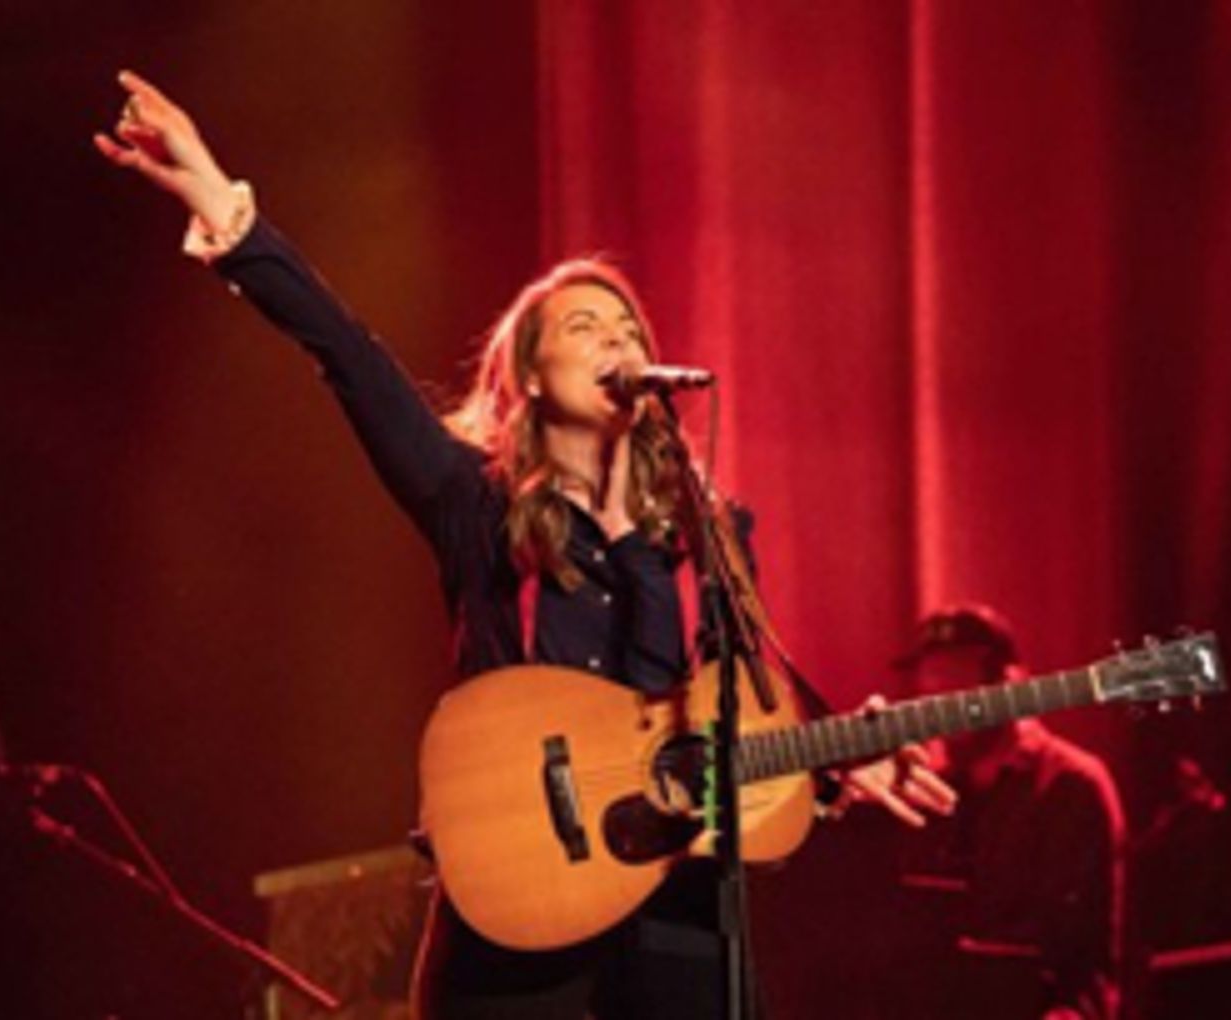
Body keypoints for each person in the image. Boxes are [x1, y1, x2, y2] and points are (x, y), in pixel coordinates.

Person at [93, 70, 957, 1019]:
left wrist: (846, 754)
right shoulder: (474, 503)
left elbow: (743, 680)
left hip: (673, 917)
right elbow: (350, 356)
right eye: (585, 327)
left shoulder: (707, 532)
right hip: (519, 907)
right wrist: (227, 209)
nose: (616, 339)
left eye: (628, 326)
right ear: (530, 378)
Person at [889, 605, 1127, 1020]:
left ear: (1008, 681)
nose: (940, 698)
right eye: (931, 678)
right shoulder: (920, 787)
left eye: (957, 677)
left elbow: (1087, 966)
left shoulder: (1071, 785)